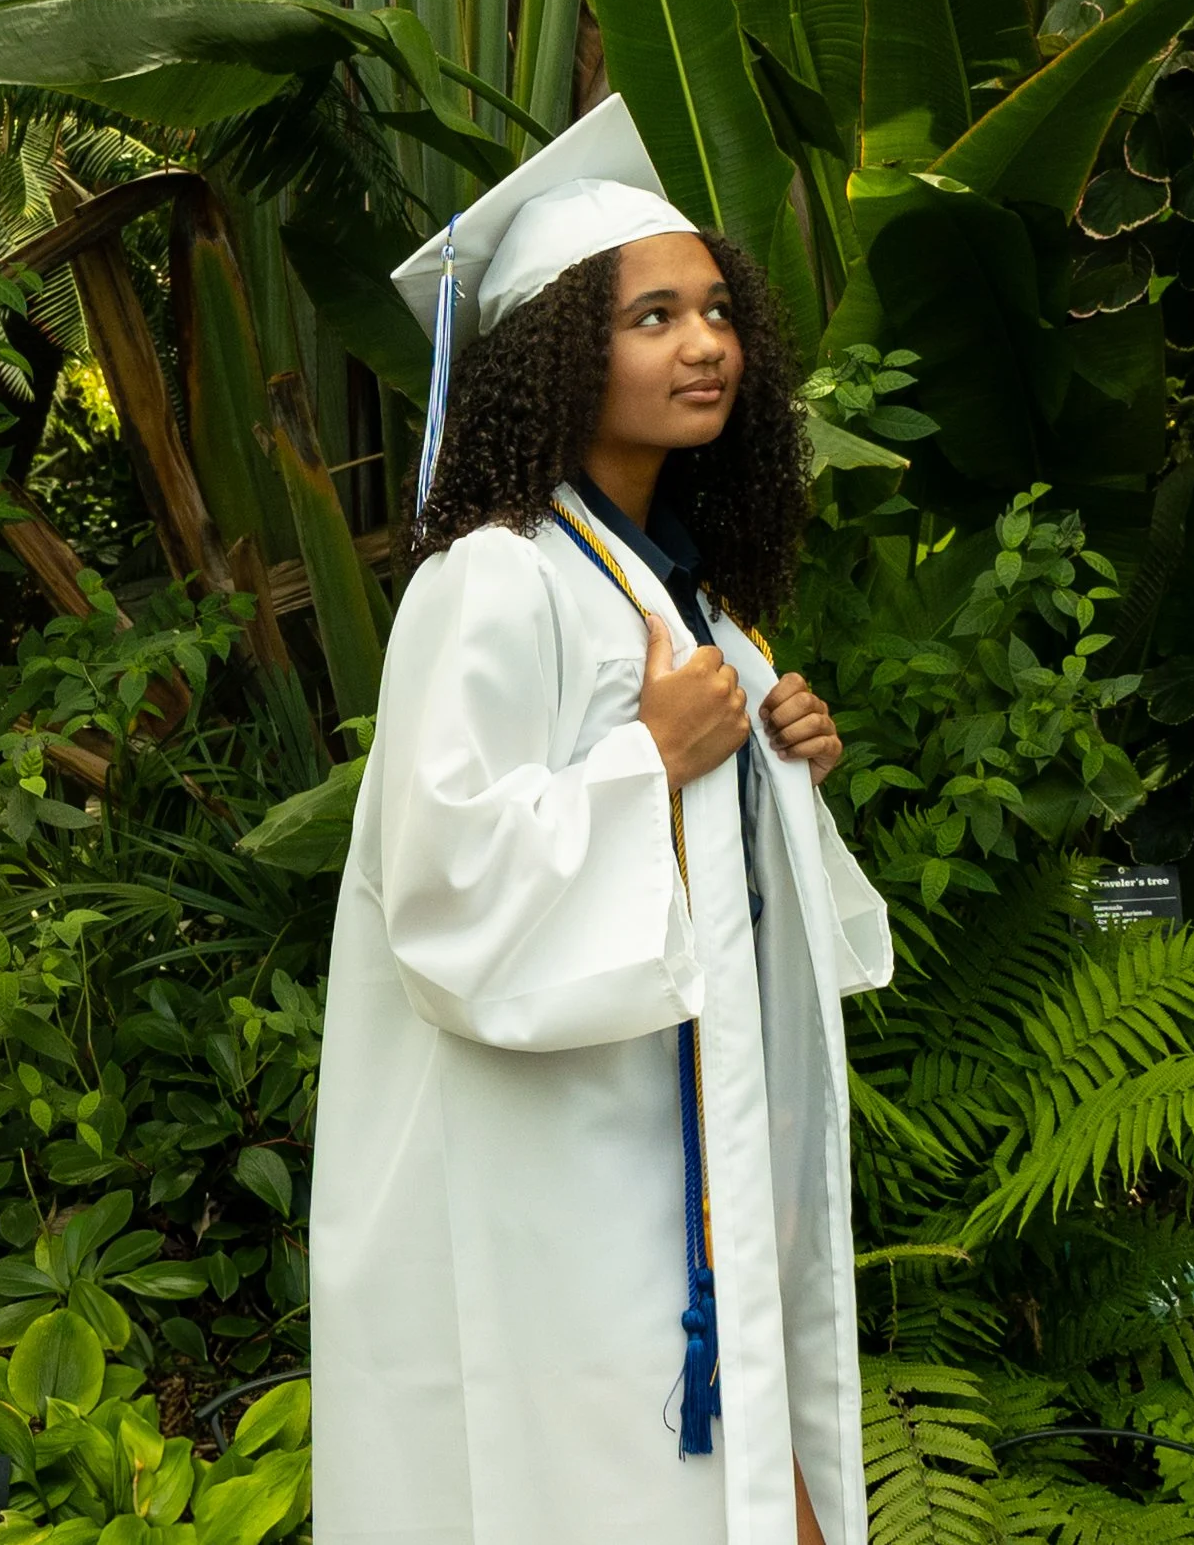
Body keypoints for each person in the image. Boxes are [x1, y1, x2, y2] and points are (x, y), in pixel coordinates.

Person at [310, 97, 893, 1545]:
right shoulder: (491, 580)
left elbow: (727, 869)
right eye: (649, 316)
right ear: (560, 352)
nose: (702, 343)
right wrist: (652, 755)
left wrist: (778, 766)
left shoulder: (674, 586)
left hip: (680, 1132)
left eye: (713, 308)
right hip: (554, 1154)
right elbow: (442, 889)